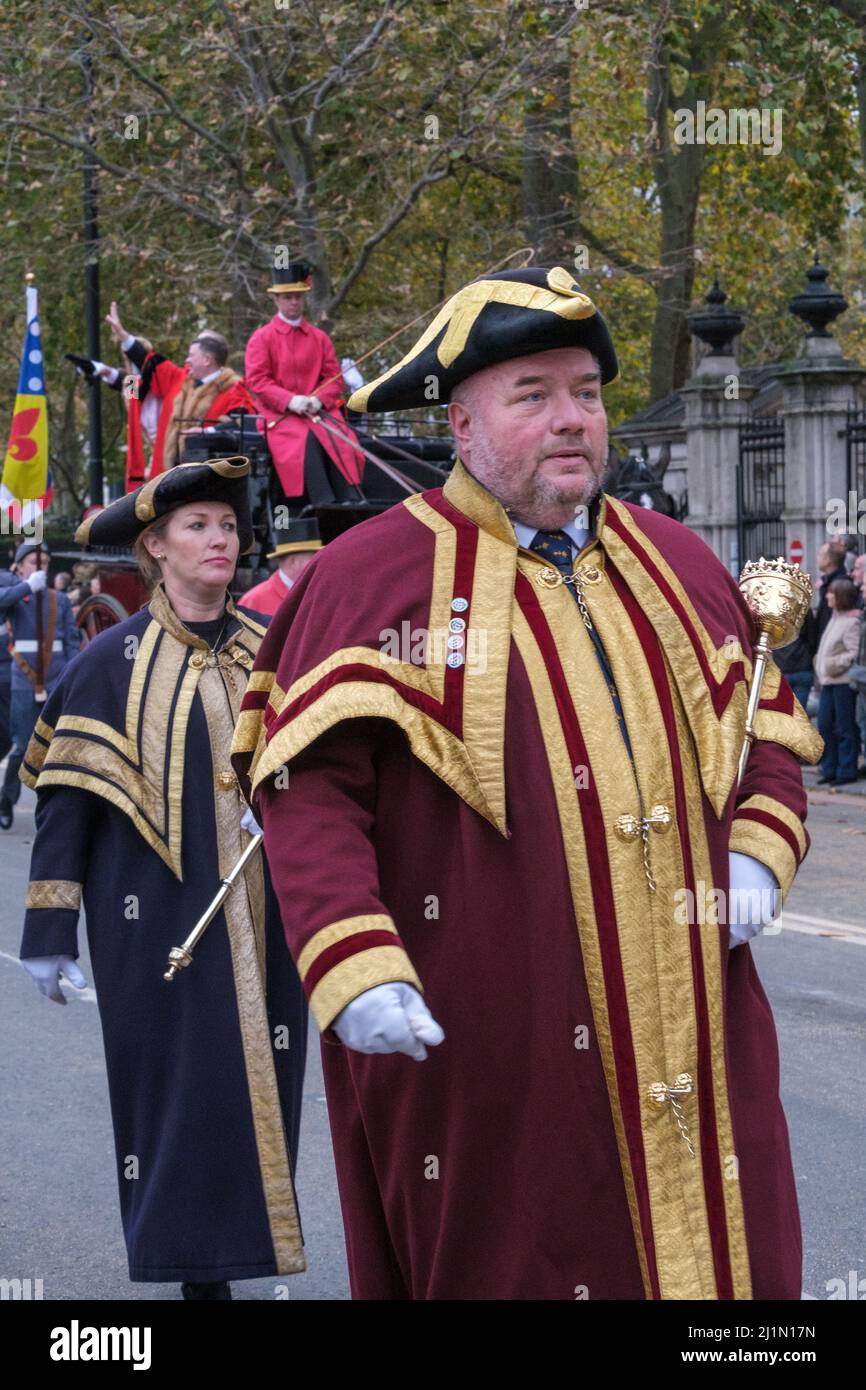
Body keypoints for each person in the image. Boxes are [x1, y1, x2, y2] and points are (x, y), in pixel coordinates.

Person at [231, 264, 823, 1301]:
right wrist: (352, 956)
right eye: (533, 396)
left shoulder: (679, 561)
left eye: (585, 395)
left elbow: (765, 722)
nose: (570, 421)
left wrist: (754, 847)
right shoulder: (373, 578)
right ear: (459, 423)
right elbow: (306, 794)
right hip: (495, 1039)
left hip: (702, 1019)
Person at [18, 459, 307, 1299]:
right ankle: (194, 1272)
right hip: (151, 924)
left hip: (265, 918)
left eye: (226, 526)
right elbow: (65, 807)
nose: (220, 539)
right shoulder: (106, 662)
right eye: (197, 527)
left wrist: (288, 798)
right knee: (180, 1101)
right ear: (154, 548)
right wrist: (47, 933)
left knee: (258, 1090)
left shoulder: (274, 651)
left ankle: (238, 1256)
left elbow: (325, 771)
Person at [245, 259, 365, 515]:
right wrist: (290, 400)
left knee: (342, 436)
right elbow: (257, 380)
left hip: (319, 411)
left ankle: (351, 496)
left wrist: (319, 400)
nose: (294, 302)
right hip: (280, 415)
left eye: (298, 297)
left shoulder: (320, 338)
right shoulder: (262, 338)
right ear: (276, 300)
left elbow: (334, 378)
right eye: (288, 297)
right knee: (304, 439)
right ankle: (323, 501)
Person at [104, 302, 255, 481]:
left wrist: (208, 432)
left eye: (192, 354)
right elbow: (145, 372)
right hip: (166, 471)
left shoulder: (233, 388)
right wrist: (122, 339)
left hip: (204, 476)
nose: (187, 359)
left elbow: (244, 428)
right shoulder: (174, 379)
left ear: (208, 358)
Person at [0, 543, 80, 831]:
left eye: (43, 564)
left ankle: (51, 811)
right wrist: (26, 588)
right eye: (33, 563)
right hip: (23, 679)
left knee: (56, 750)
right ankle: (7, 799)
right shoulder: (17, 599)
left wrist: (72, 677)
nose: (39, 569)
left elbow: (71, 641)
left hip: (56, 679)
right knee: (22, 747)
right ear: (20, 568)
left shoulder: (59, 600)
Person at [815, 576, 861, 787]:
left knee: (843, 727)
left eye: (831, 593)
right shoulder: (834, 618)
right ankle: (830, 768)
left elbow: (853, 653)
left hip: (841, 682)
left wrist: (832, 664)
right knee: (824, 725)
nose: (827, 596)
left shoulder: (851, 622)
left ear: (840, 596)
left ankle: (846, 769)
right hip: (827, 682)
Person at [241, 518, 322, 618]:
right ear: (294, 562)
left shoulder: (324, 594)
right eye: (315, 558)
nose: (321, 563)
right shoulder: (253, 601)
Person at [773, 606, 816, 711]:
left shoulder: (772, 607)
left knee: (781, 715)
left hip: (780, 667)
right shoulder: (804, 608)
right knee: (799, 714)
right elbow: (813, 640)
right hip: (803, 666)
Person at [815, 539, 848, 641]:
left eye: (820, 555)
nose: (817, 558)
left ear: (828, 560)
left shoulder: (840, 585)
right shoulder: (828, 582)